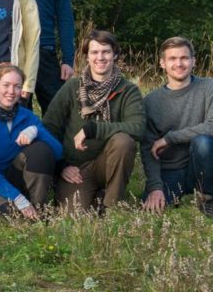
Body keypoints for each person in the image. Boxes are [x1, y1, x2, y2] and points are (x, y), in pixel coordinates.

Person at [42, 30, 144, 212]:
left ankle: (111, 205)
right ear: (87, 56)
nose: (100, 57)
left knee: (123, 141)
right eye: (94, 52)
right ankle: (96, 196)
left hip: (108, 164)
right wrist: (61, 166)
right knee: (74, 215)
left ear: (115, 55)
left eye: (106, 52)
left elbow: (138, 127)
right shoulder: (72, 87)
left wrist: (93, 129)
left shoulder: (128, 90)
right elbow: (49, 128)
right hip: (76, 169)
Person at [141, 37, 213, 219]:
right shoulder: (150, 102)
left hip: (204, 165)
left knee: (203, 142)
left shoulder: (212, 88)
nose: (179, 64)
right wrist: (155, 187)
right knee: (150, 213)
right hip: (171, 169)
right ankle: (174, 193)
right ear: (162, 63)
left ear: (193, 61)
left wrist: (169, 138)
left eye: (184, 58)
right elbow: (149, 149)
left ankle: (208, 197)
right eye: (172, 59)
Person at [0, 66, 62, 219]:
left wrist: (37, 131)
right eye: (6, 85)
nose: (11, 91)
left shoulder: (27, 116)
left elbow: (58, 152)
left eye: (17, 86)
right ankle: (24, 210)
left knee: (41, 150)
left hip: (16, 178)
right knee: (11, 215)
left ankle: (39, 210)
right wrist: (17, 198)